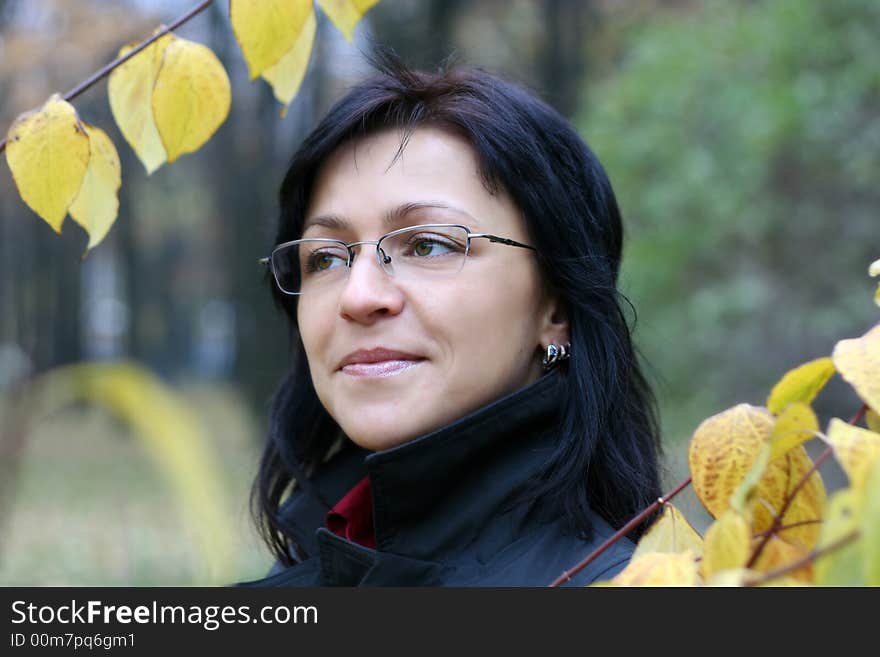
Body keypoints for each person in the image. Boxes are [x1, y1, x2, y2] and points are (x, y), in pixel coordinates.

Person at [239, 50, 662, 587]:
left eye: (429, 245)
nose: (358, 296)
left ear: (555, 306)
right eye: (326, 257)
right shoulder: (321, 555)